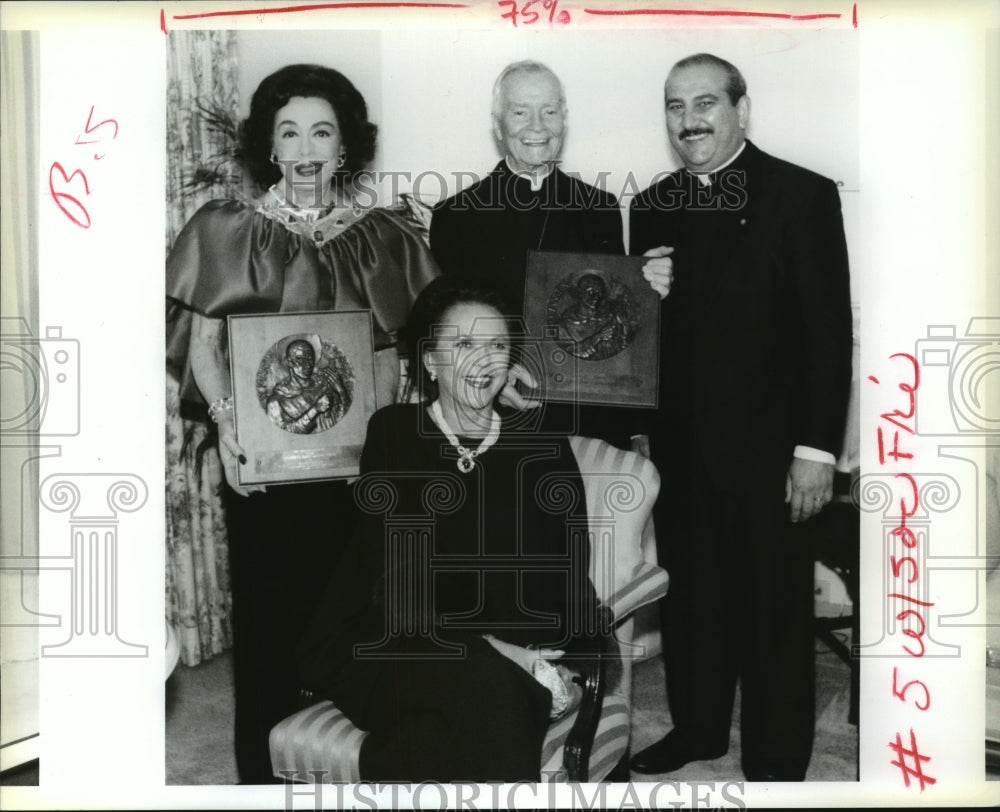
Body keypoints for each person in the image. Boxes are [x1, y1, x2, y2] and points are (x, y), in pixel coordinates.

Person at [165, 64, 439, 783]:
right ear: (271, 147)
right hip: (259, 466)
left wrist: (377, 454)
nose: (307, 146)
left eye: (323, 130)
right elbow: (202, 349)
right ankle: (260, 783)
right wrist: (229, 431)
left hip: (353, 471)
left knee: (351, 623)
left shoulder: (384, 236)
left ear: (345, 144)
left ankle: (351, 775)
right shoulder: (225, 229)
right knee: (265, 633)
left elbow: (388, 359)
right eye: (290, 132)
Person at [627, 53, 853, 781]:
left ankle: (778, 761)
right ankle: (696, 731)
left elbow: (825, 334)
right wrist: (640, 298)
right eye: (674, 106)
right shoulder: (651, 205)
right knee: (691, 602)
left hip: (773, 455)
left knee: (772, 612)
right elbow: (642, 341)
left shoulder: (802, 195)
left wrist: (817, 450)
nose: (689, 119)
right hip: (681, 451)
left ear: (740, 110)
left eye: (704, 103)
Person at [298, 277, 612, 781]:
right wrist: (495, 652)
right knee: (494, 687)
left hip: (498, 652)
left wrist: (545, 649)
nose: (482, 361)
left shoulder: (542, 446)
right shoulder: (395, 432)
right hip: (390, 642)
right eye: (463, 345)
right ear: (430, 361)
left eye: (497, 346)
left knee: (453, 726)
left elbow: (566, 564)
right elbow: (396, 579)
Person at [430, 60, 628, 445]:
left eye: (549, 111)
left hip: (587, 417)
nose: (537, 126)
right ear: (498, 125)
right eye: (520, 112)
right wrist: (491, 376)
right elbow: (446, 330)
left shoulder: (600, 209)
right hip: (489, 413)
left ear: (564, 120)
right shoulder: (456, 216)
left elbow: (616, 316)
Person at [265, 339, 348, 434]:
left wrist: (341, 389)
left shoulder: (325, 385)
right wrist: (314, 410)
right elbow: (283, 433)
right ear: (289, 361)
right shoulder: (276, 402)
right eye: (300, 359)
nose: (307, 365)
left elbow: (344, 421)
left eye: (310, 359)